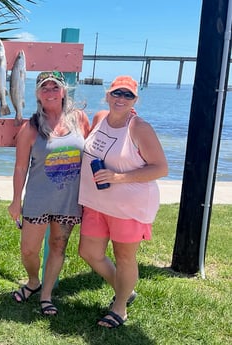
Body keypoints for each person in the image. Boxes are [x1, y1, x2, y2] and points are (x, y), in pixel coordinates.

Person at [77, 75, 167, 328]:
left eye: (128, 95)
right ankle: (126, 289)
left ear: (135, 100)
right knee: (89, 252)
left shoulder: (139, 128)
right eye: (117, 93)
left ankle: (120, 307)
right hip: (96, 202)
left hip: (129, 206)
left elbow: (160, 168)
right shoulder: (99, 118)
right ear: (107, 95)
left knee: (124, 256)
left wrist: (119, 177)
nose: (121, 99)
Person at [7, 71, 90, 316]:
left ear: (64, 92)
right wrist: (15, 201)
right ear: (38, 95)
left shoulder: (79, 119)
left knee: (58, 246)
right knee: (28, 250)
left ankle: (46, 295)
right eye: (45, 88)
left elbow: (100, 141)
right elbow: (21, 167)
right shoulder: (30, 127)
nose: (50, 91)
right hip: (38, 200)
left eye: (55, 87)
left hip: (68, 200)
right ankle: (33, 281)